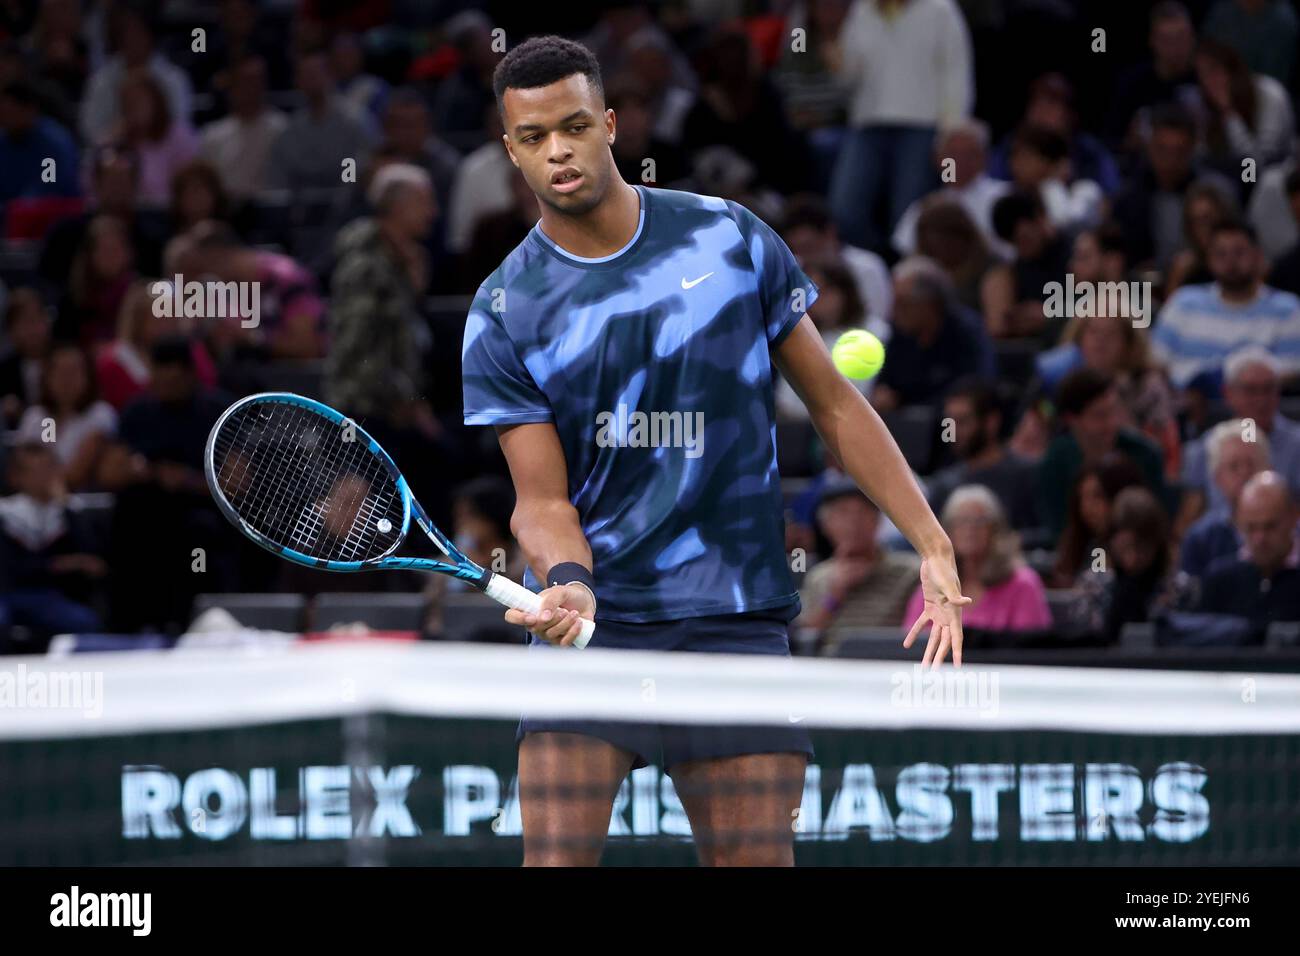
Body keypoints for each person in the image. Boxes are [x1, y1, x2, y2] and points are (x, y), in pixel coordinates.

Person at [462, 36, 969, 867]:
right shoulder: (503, 310)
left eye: (576, 125)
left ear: (611, 125)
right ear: (510, 147)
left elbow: (836, 406)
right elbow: (542, 500)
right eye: (533, 136)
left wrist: (931, 542)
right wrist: (568, 581)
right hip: (599, 628)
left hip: (732, 621)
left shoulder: (727, 238)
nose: (558, 149)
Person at [827, 0, 973, 251]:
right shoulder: (862, 10)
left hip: (921, 126)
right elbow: (847, 81)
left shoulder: (940, 9)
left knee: (906, 217)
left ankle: (903, 276)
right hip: (867, 123)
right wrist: (836, 60)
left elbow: (956, 73)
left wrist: (951, 131)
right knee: (844, 211)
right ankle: (875, 267)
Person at [1152, 221, 1300, 392]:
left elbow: (1294, 370)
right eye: (1221, 254)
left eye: (1239, 252)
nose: (1230, 261)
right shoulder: (1183, 303)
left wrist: (1236, 385)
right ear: (1209, 259)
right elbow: (1156, 361)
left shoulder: (1287, 308)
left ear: (1258, 255)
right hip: (1189, 410)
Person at [1036, 368, 1169, 546]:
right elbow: (1059, 531)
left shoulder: (1145, 454)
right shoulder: (1055, 462)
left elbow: (1157, 524)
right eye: (1100, 416)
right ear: (1072, 420)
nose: (1111, 423)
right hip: (1083, 556)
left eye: (1114, 411)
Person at [795, 475, 921, 654]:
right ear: (825, 525)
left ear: (878, 520)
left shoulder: (911, 572)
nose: (854, 521)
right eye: (843, 512)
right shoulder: (819, 576)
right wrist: (835, 595)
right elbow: (804, 637)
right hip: (830, 669)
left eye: (863, 511)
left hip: (889, 664)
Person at [902, 485, 1051, 634]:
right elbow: (915, 642)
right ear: (947, 531)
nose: (970, 529)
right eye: (961, 521)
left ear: (996, 531)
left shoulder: (1023, 584)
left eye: (979, 521)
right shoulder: (934, 586)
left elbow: (1029, 648)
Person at [0, 442, 104, 649]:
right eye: (36, 471)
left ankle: (74, 679)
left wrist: (64, 504)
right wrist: (57, 566)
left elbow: (92, 558)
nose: (45, 476)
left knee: (84, 621)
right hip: (7, 594)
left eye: (50, 468)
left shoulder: (67, 511)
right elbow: (10, 568)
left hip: (49, 597)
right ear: (17, 477)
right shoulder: (6, 513)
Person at [1178, 347, 1300, 521]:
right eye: (1251, 390)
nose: (1261, 400)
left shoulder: (1297, 444)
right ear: (1228, 394)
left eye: (1268, 389)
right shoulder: (1204, 448)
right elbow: (1189, 516)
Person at [872, 256, 994, 412]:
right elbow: (885, 382)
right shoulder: (900, 335)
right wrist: (883, 395)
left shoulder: (967, 332)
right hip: (908, 424)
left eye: (903, 304)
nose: (894, 312)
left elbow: (978, 388)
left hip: (950, 426)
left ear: (930, 304)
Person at [924, 377, 1040, 536]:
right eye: (949, 422)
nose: (952, 432)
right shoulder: (943, 486)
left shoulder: (1027, 476)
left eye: (962, 421)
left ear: (991, 422)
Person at [1198, 470, 1300, 640]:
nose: (1260, 538)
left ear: (1294, 517)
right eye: (1251, 528)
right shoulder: (1219, 580)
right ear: (1238, 522)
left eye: (1270, 526)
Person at [891, 119, 1011, 259]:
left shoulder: (1004, 196)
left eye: (969, 154)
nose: (959, 161)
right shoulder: (925, 206)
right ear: (938, 159)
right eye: (952, 154)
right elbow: (906, 253)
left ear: (984, 158)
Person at [15, 342, 116, 491]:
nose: (66, 379)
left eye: (73, 371)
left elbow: (76, 474)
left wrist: (49, 488)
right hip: (32, 500)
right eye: (60, 371)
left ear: (88, 376)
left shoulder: (100, 414)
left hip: (79, 501)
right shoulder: (37, 416)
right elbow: (23, 467)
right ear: (47, 377)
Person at [779, 193, 892, 324]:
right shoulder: (793, 273)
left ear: (830, 234)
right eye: (796, 249)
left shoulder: (867, 267)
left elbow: (878, 321)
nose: (804, 256)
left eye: (808, 247)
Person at [1179, 418, 1271, 578]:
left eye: (1251, 463)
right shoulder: (1200, 539)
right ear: (1217, 478)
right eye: (1234, 466)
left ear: (1269, 470)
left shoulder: (1292, 532)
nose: (1244, 473)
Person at [198, 55, 288, 201]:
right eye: (245, 82)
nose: (251, 89)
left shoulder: (282, 128)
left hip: (271, 210)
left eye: (256, 82)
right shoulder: (212, 135)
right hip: (227, 212)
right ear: (232, 86)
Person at [1051, 453, 1147, 588]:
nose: (1087, 507)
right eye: (1082, 497)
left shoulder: (1141, 550)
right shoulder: (1091, 546)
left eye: (1097, 496)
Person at [0, 288, 53, 428]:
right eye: (24, 323)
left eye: (36, 320)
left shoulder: (61, 361)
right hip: (20, 437)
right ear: (11, 331)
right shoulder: (5, 369)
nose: (32, 330)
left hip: (56, 433)